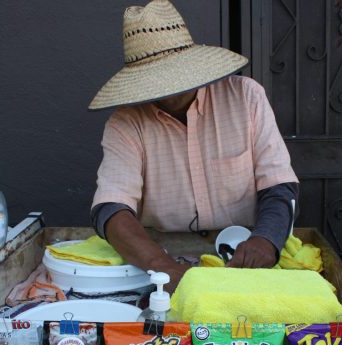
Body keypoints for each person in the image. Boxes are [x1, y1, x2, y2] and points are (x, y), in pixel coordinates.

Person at [88, 0, 299, 291]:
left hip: (243, 252)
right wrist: (164, 268)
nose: (168, 86)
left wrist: (266, 240)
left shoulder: (247, 98)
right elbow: (111, 209)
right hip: (160, 261)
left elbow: (279, 187)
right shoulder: (125, 123)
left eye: (174, 73)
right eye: (155, 78)